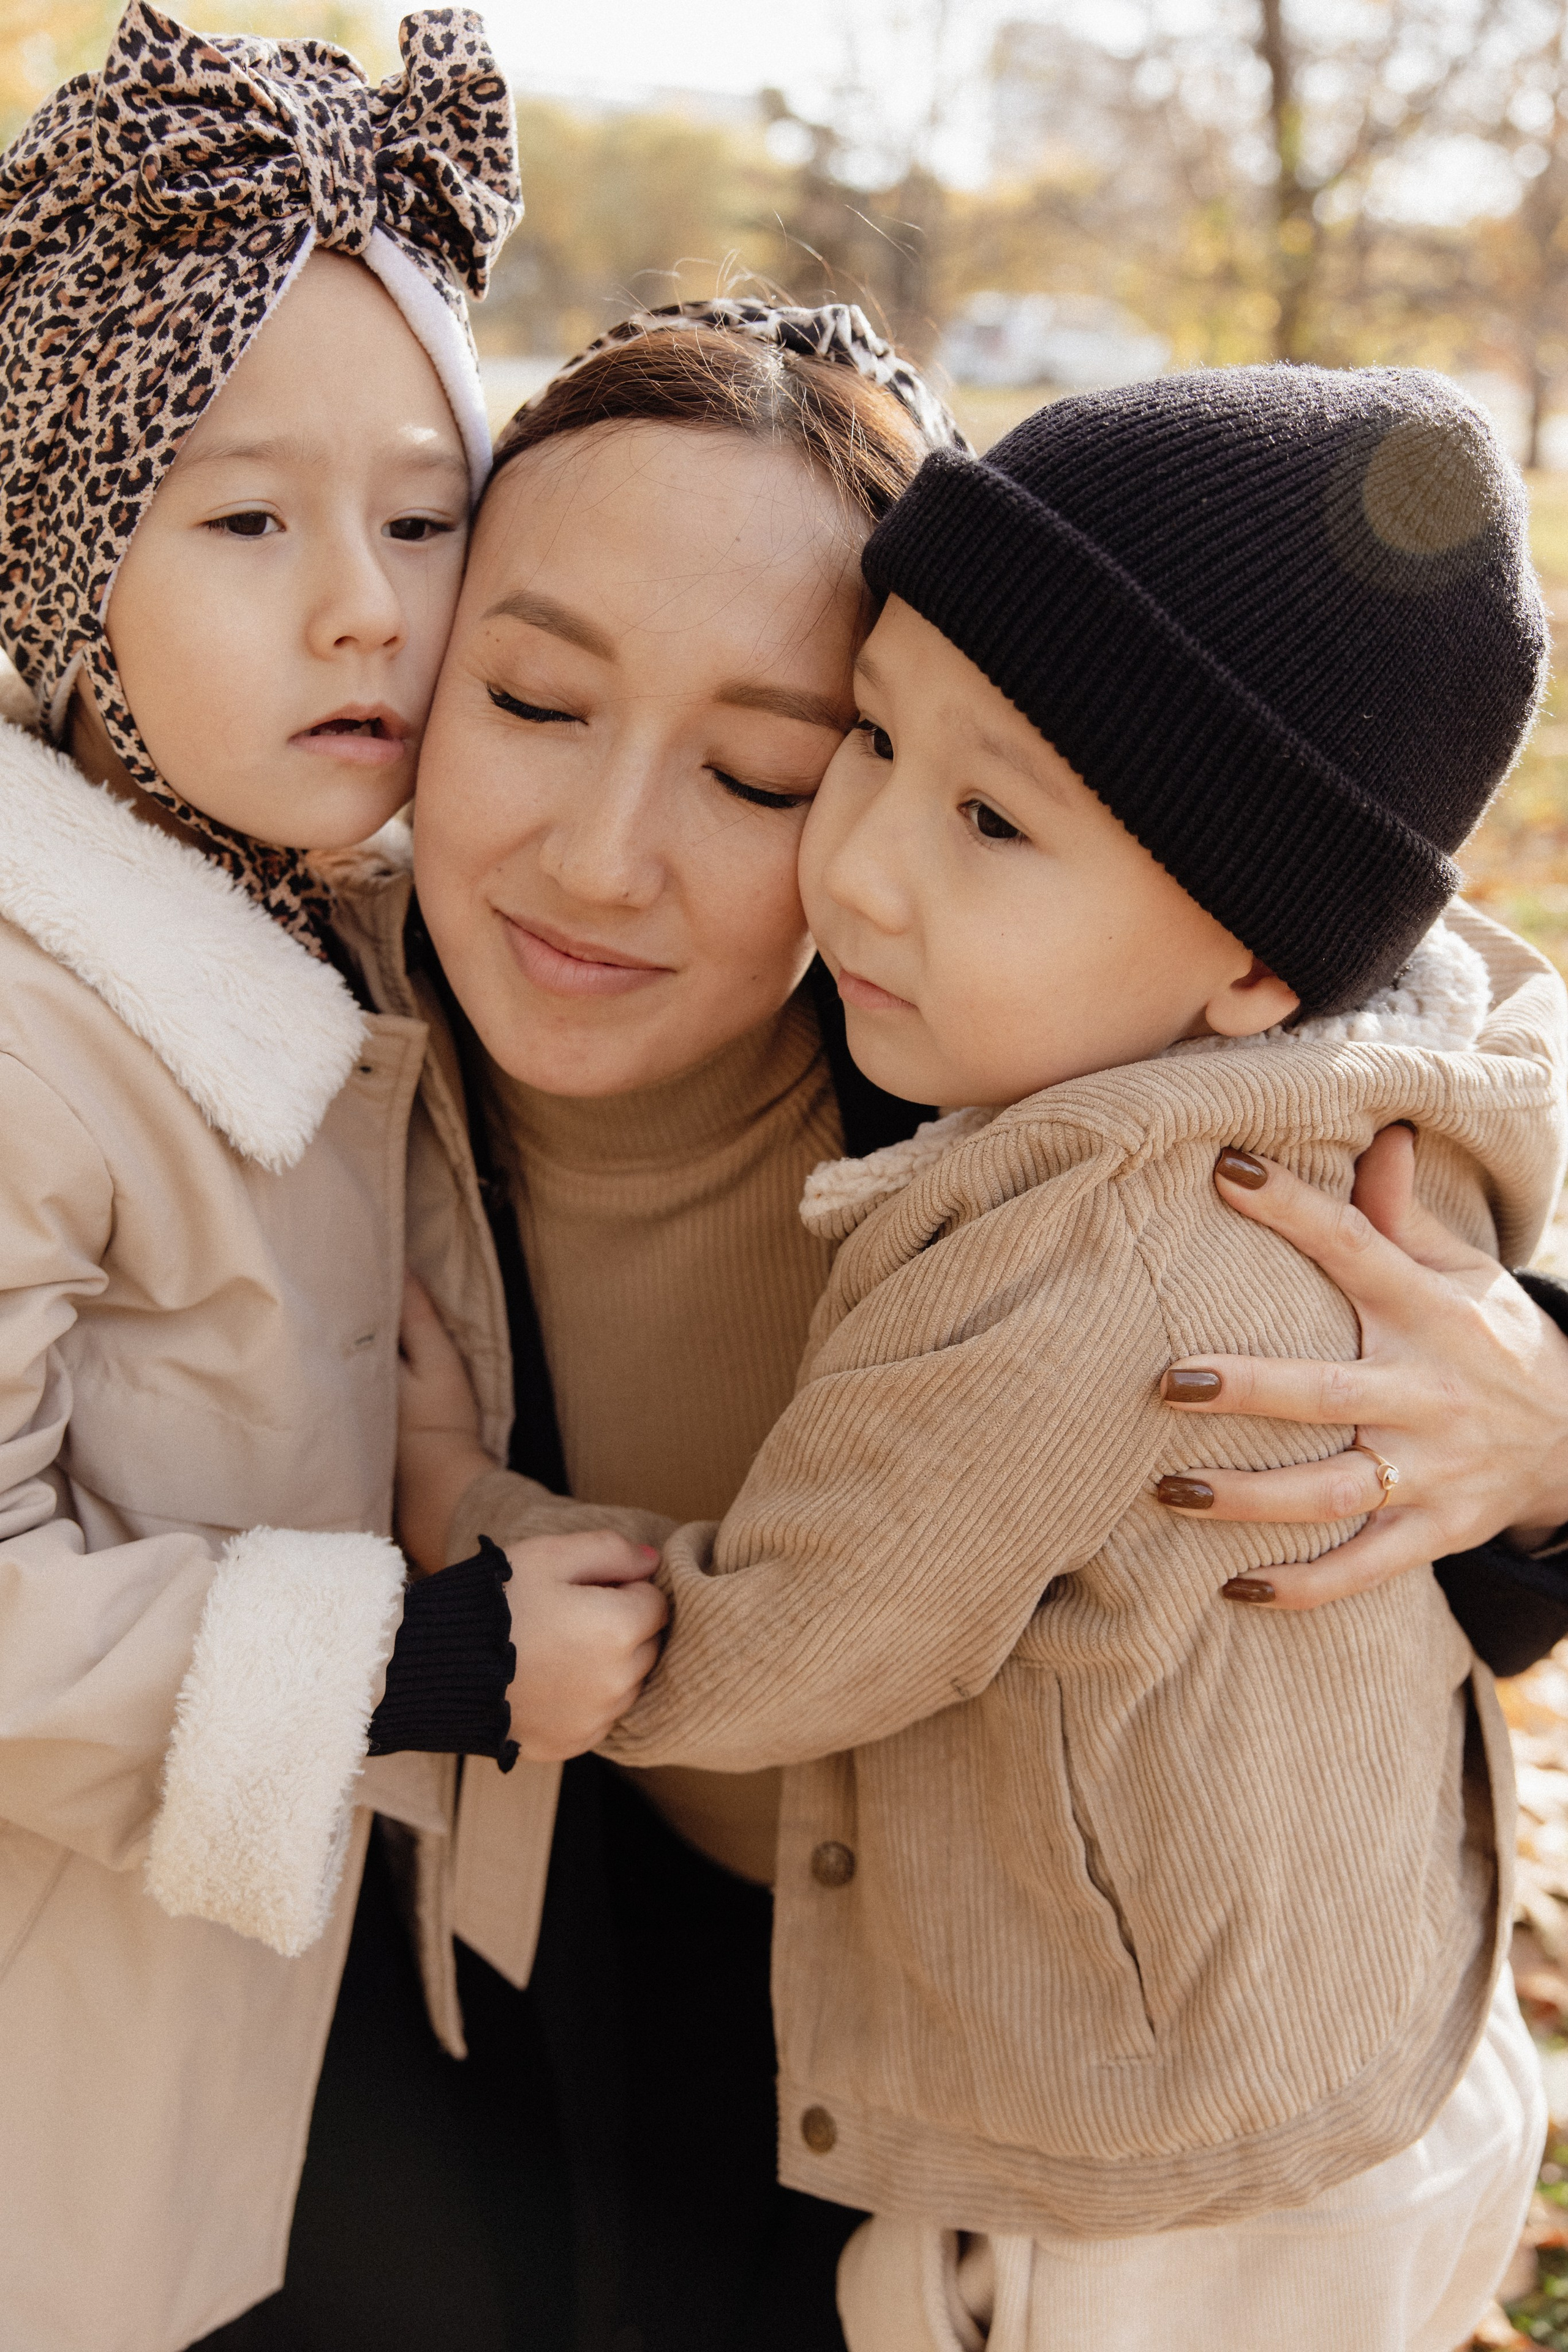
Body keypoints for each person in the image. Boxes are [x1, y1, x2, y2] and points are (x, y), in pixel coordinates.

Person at [384, 318, 1568, 2352]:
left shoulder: (1049, 1172)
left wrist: (1548, 1415)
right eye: (528, 697)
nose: (856, 860)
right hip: (1233, 2063)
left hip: (1094, 2142)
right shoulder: (286, 1004)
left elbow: (780, 1635)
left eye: (767, 757)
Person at [0, 12, 527, 2348]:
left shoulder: (364, 905)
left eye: (428, 516)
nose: (367, 605)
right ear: (52, 564)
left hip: (311, 2072)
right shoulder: (31, 1022)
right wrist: (416, 1659)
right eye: (244, 518)